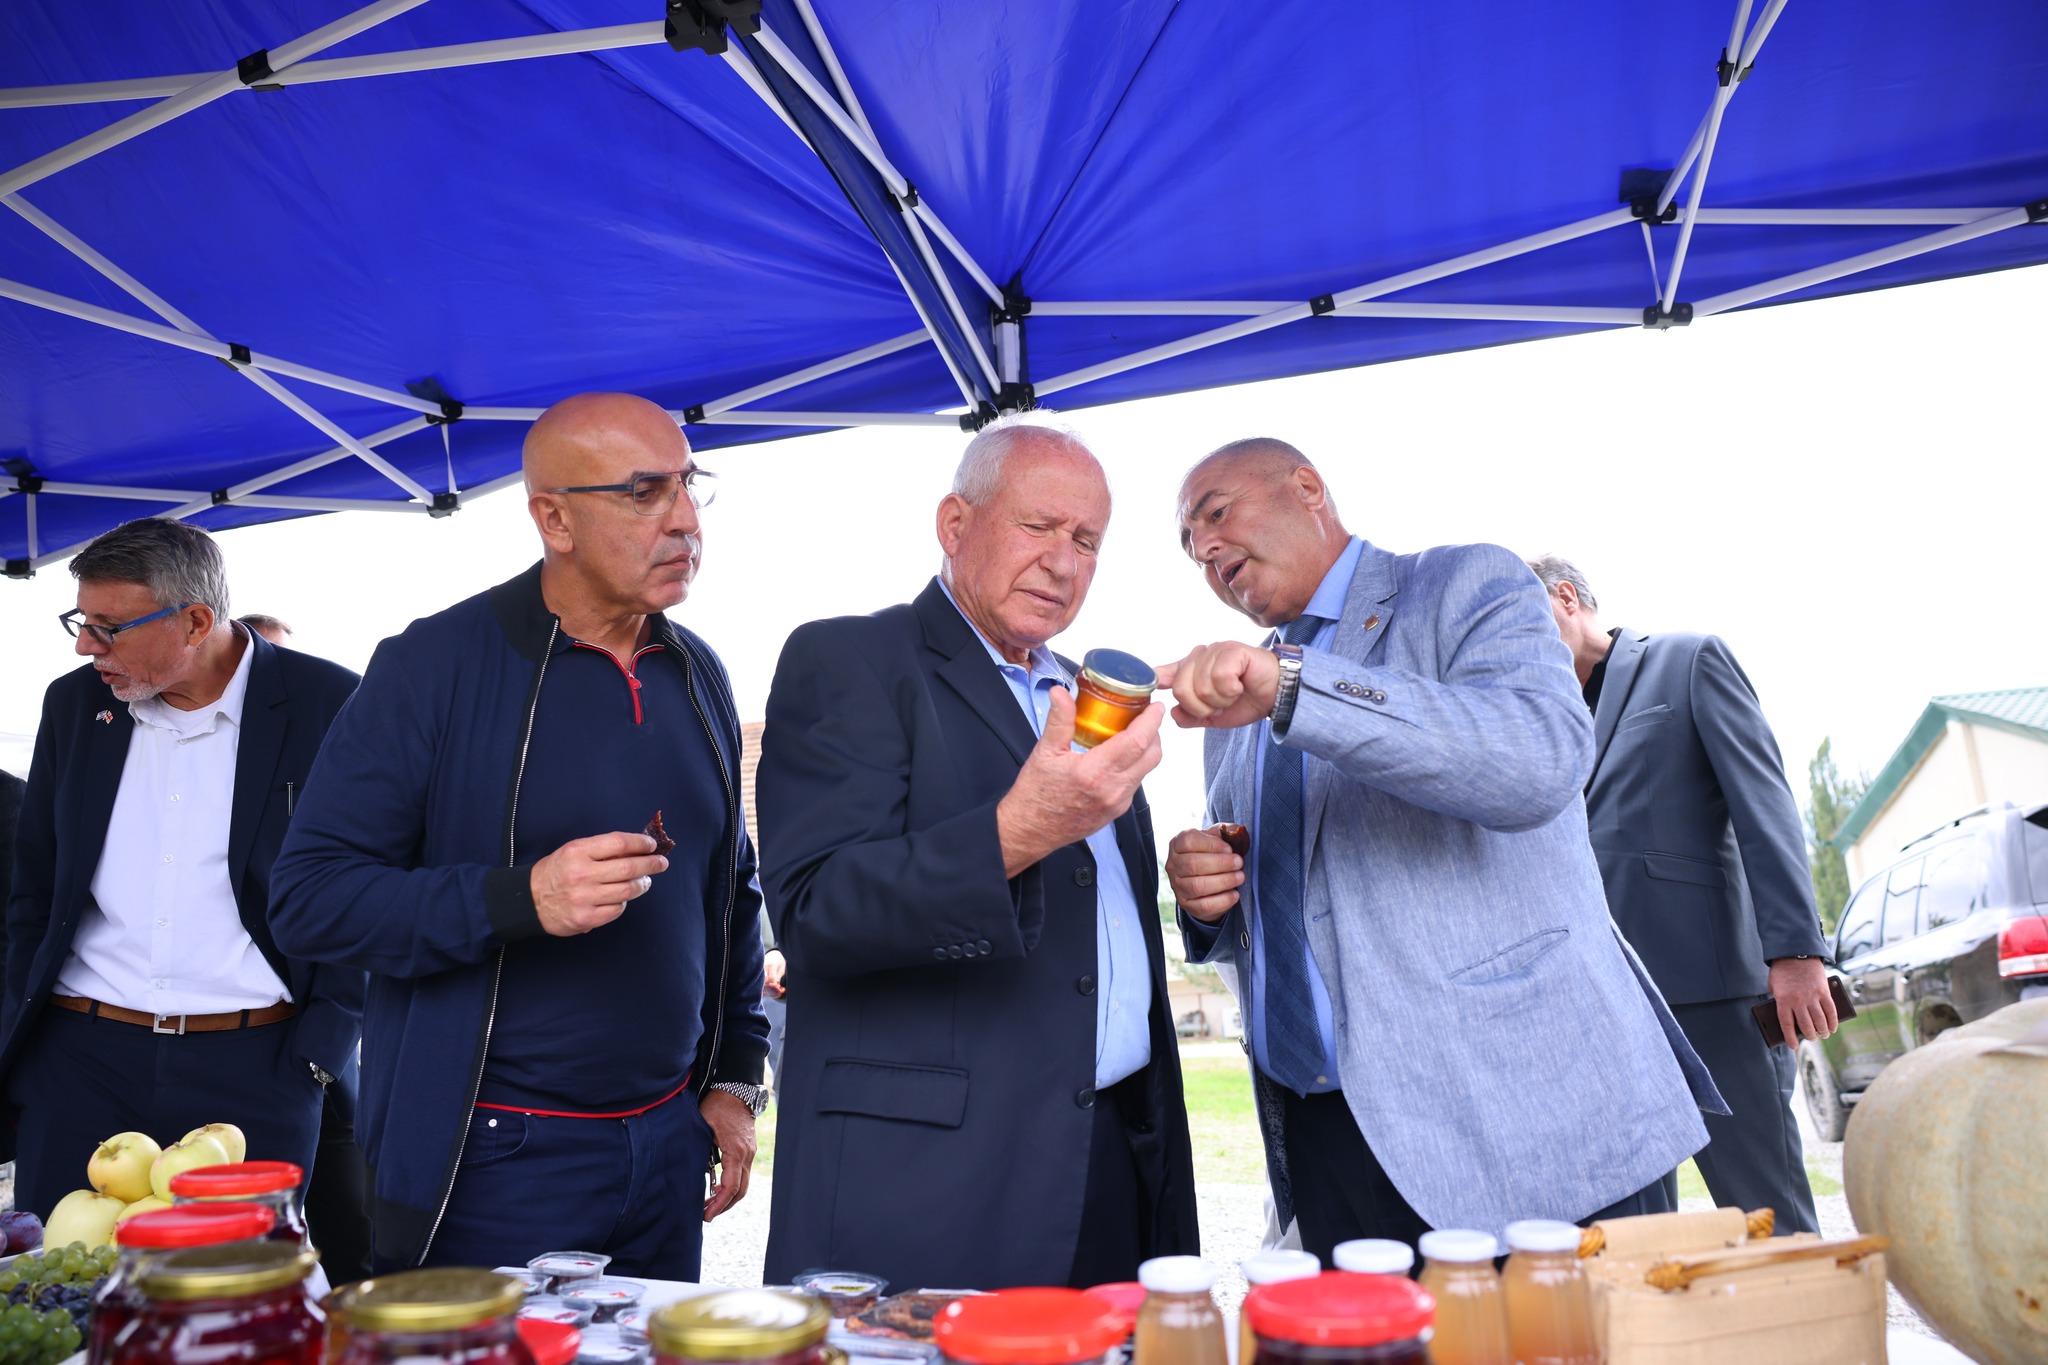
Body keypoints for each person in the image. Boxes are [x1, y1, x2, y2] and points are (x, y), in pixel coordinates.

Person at [1161, 439, 1724, 1262]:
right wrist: (1205, 896)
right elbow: (1289, 901)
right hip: (1330, 1139)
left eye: (1216, 514)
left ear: (1308, 488)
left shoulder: (1469, 584)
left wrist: (1298, 686)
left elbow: (1537, 759)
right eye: (1189, 544)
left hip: (1525, 1115)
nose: (1204, 548)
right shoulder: (1236, 707)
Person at [269, 393, 767, 1276]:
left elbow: (730, 890)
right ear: (553, 519)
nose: (686, 518)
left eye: (690, 484)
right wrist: (521, 898)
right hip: (493, 1160)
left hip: (666, 1148)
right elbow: (311, 898)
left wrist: (733, 1077)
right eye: (645, 492)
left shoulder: (700, 672)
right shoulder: (432, 667)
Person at [758, 420, 1199, 1290]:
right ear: (955, 525)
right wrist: (1016, 833)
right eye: (1038, 526)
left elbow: (1100, 916)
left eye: (1087, 540)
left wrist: (1200, 897)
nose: (1063, 562)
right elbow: (815, 913)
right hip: (936, 1182)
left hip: (1112, 1157)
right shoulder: (849, 658)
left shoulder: (1086, 695)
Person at [0, 519, 362, 1217]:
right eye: (80, 620)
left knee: (236, 1276)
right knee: (63, 1273)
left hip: (259, 1062)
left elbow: (372, 884)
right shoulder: (74, 703)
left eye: (109, 627)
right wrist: (33, 1043)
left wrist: (319, 1050)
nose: (85, 645)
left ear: (196, 621)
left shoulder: (332, 704)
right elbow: (34, 885)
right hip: (79, 1060)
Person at [1529, 554, 1833, 1232]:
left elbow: (1765, 809)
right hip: (1601, 1008)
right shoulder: (1539, 722)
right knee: (1630, 1234)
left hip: (1712, 996)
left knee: (1769, 1215)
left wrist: (1796, 953)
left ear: (1566, 598)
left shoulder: (1687, 661)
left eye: (1521, 620)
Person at [235, 610, 374, 1280]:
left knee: (346, 1190)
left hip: (323, 1029)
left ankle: (354, 1295)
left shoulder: (327, 752)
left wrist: (327, 1042)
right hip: (255, 1036)